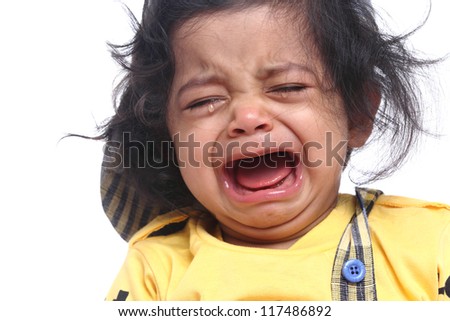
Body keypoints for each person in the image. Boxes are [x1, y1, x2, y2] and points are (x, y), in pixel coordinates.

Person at [100, 0, 450, 301]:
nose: (247, 117)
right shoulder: (157, 268)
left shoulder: (431, 242)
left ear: (357, 114)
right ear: (170, 140)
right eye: (204, 101)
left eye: (287, 87)